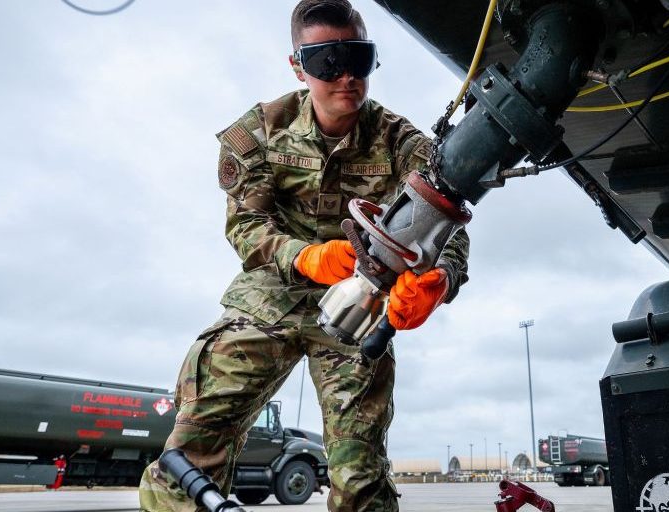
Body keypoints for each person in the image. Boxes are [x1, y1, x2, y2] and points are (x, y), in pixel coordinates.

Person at [139, 1, 469, 510]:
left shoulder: (403, 144)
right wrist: (306, 256)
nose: (345, 78)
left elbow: (447, 221)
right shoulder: (260, 133)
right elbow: (246, 226)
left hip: (357, 310)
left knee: (359, 473)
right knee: (193, 445)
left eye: (357, 59)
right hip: (269, 298)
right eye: (325, 62)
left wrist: (439, 280)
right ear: (298, 67)